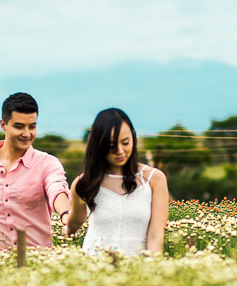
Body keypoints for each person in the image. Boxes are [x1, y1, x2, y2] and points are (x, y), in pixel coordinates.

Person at [0, 92, 72, 250]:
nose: (27, 133)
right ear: (3, 125)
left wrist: (65, 214)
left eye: (32, 126)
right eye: (19, 126)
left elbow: (57, 189)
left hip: (38, 265)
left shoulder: (48, 163)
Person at [64, 108, 169, 256]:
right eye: (111, 146)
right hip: (94, 268)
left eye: (125, 142)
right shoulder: (84, 183)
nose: (120, 151)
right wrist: (66, 231)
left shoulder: (154, 179)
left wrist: (151, 269)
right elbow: (74, 223)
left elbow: (156, 235)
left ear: (133, 138)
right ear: (99, 146)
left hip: (137, 270)